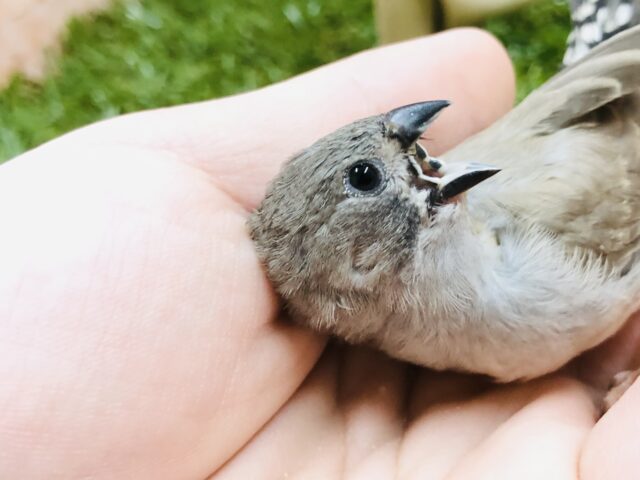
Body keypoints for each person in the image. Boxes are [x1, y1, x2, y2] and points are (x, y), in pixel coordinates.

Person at [0, 28, 636, 479]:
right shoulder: (437, 315)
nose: (417, 133)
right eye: (367, 177)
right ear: (359, 262)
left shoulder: (540, 239)